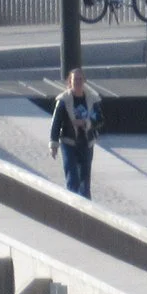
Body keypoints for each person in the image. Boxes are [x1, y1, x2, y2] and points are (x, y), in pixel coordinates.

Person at [47, 67, 102, 199]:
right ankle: (73, 207)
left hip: (86, 143)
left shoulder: (92, 99)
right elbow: (56, 123)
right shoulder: (64, 101)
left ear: (84, 81)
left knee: (85, 179)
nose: (77, 82)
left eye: (80, 79)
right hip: (68, 142)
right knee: (72, 178)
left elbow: (99, 119)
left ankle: (87, 209)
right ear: (69, 82)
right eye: (74, 79)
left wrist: (86, 123)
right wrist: (53, 144)